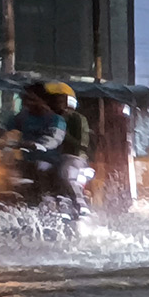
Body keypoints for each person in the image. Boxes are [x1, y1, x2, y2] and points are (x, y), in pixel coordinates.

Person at [7, 82, 66, 197]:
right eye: (25, 99)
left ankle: (43, 198)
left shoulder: (56, 120)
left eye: (32, 99)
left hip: (46, 158)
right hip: (23, 156)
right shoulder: (22, 117)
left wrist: (38, 145)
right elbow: (8, 129)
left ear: (42, 100)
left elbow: (54, 139)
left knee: (40, 168)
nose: (28, 103)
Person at [44, 81, 90, 216]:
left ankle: (80, 203)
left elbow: (82, 144)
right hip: (48, 155)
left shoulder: (77, 119)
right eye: (53, 100)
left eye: (60, 100)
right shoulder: (45, 118)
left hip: (73, 156)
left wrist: (62, 135)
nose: (56, 104)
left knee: (67, 172)